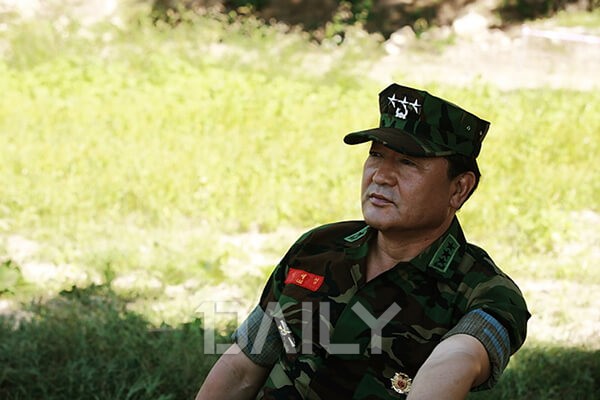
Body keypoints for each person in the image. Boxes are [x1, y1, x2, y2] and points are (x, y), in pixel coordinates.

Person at [196, 83, 530, 400]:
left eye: (408, 162)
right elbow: (243, 366)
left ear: (459, 189)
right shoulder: (318, 248)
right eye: (376, 155)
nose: (381, 176)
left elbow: (457, 359)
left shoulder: (483, 289)